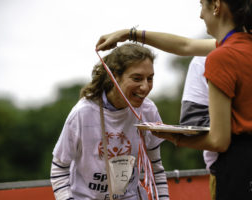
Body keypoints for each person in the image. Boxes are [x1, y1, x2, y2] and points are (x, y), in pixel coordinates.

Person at [96, 0, 252, 199]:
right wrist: (129, 33)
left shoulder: (222, 58)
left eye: (201, 5)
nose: (200, 15)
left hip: (242, 172)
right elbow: (185, 45)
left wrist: (174, 137)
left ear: (216, 6)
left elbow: (219, 141)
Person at [50, 43, 170, 200]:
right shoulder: (82, 113)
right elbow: (59, 169)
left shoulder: (148, 110)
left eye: (150, 78)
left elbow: (155, 169)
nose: (145, 87)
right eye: (137, 78)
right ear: (114, 76)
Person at [180, 44, 252, 199]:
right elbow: (195, 123)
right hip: (233, 170)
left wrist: (177, 139)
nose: (202, 17)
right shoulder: (205, 59)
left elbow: (218, 141)